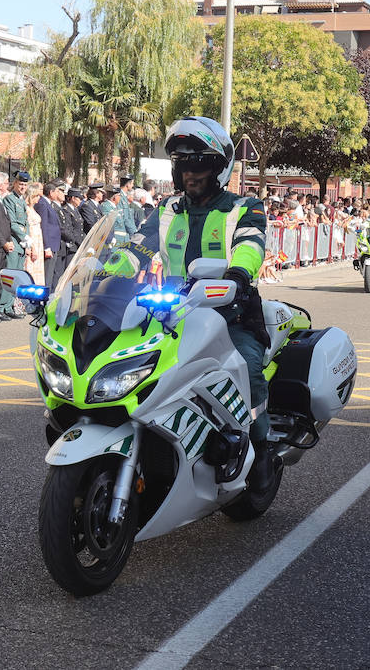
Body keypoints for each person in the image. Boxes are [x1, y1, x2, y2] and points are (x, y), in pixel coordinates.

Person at [132, 116, 275, 491]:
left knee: (247, 369)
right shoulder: (166, 209)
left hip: (233, 310)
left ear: (219, 168)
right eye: (182, 166)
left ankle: (261, 449)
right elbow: (137, 247)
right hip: (173, 310)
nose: (191, 174)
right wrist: (102, 271)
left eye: (200, 165)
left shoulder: (244, 206)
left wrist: (238, 275)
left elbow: (250, 244)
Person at [1, 171, 31, 318]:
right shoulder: (10, 199)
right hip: (14, 240)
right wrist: (24, 235)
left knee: (17, 277)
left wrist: (28, 238)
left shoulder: (21, 200)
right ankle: (3, 306)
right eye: (21, 184)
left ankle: (10, 306)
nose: (23, 187)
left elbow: (26, 222)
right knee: (10, 276)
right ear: (15, 184)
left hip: (21, 244)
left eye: (25, 185)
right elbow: (12, 222)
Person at [34, 182, 64, 287]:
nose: (58, 194)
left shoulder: (48, 204)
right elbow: (44, 226)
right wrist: (46, 247)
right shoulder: (42, 204)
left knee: (52, 275)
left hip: (54, 245)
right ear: (51, 192)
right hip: (49, 245)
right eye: (57, 191)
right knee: (47, 276)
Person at [23, 188, 45, 284]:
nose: (38, 198)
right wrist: (32, 247)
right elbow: (28, 229)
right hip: (33, 240)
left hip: (38, 240)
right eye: (36, 196)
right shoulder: (27, 209)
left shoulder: (33, 208)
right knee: (31, 266)